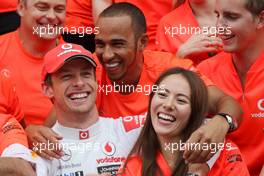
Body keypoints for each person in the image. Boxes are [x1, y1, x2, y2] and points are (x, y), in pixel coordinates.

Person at [29, 2, 243, 164]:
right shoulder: (90, 70)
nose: (107, 54)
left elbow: (227, 103)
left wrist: (221, 122)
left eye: (118, 44)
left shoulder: (166, 68)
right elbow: (51, 129)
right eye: (100, 44)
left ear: (142, 43)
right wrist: (32, 132)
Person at [121, 67, 249, 176]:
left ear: (196, 112)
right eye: (162, 95)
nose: (168, 104)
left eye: (181, 100)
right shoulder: (134, 162)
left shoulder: (225, 153)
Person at [40, 43, 143, 175]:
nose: (80, 83)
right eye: (67, 76)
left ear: (96, 82)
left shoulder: (130, 130)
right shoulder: (43, 150)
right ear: (47, 89)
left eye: (86, 74)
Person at [197, 0, 264, 175]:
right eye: (217, 15)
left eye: (231, 17)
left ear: (261, 19)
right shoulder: (205, 71)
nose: (219, 27)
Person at [0, 0, 66, 126]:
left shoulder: (79, 61)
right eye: (42, 8)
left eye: (59, 9)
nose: (52, 16)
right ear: (21, 8)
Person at [156, 0, 223, 65]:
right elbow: (163, 71)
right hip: (190, 75)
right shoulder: (167, 24)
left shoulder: (231, 8)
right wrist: (180, 55)